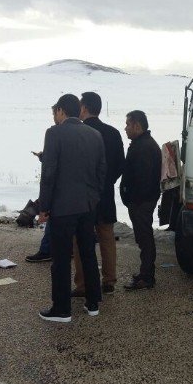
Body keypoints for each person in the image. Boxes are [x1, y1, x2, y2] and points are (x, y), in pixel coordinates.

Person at [37, 94, 106, 323]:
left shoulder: (54, 133)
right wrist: (93, 198)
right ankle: (93, 302)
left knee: (61, 258)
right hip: (88, 206)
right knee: (87, 253)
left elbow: (49, 174)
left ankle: (62, 309)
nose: (54, 117)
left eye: (54, 112)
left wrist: (44, 206)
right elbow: (101, 172)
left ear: (60, 111)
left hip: (63, 207)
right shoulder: (95, 135)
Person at [71, 92, 124, 296]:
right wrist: (107, 181)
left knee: (80, 240)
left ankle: (82, 284)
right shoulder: (113, 133)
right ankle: (109, 280)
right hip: (106, 193)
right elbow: (120, 164)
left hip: (83, 195)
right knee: (107, 237)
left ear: (84, 108)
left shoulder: (80, 132)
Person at [120, 110, 162, 290]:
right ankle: (145, 273)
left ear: (137, 125)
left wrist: (133, 199)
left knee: (145, 238)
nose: (125, 128)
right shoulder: (141, 143)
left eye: (128, 124)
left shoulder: (145, 146)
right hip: (141, 200)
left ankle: (147, 277)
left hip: (142, 201)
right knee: (143, 237)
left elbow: (143, 179)